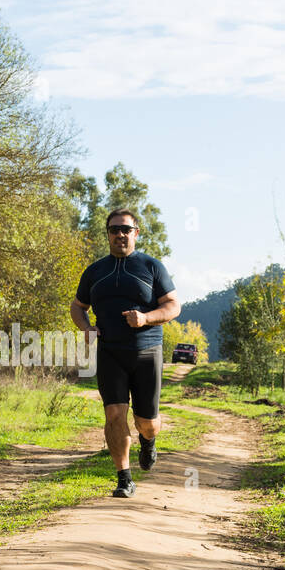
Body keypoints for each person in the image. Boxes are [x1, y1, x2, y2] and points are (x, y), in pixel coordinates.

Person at [70, 208, 180, 498]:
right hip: (110, 354)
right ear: (107, 233)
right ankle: (124, 478)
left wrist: (145, 319)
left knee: (147, 422)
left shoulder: (151, 267)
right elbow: (78, 306)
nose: (120, 234)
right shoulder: (95, 271)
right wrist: (87, 328)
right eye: (114, 230)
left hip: (147, 352)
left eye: (126, 230)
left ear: (136, 233)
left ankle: (148, 440)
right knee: (114, 416)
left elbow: (172, 306)